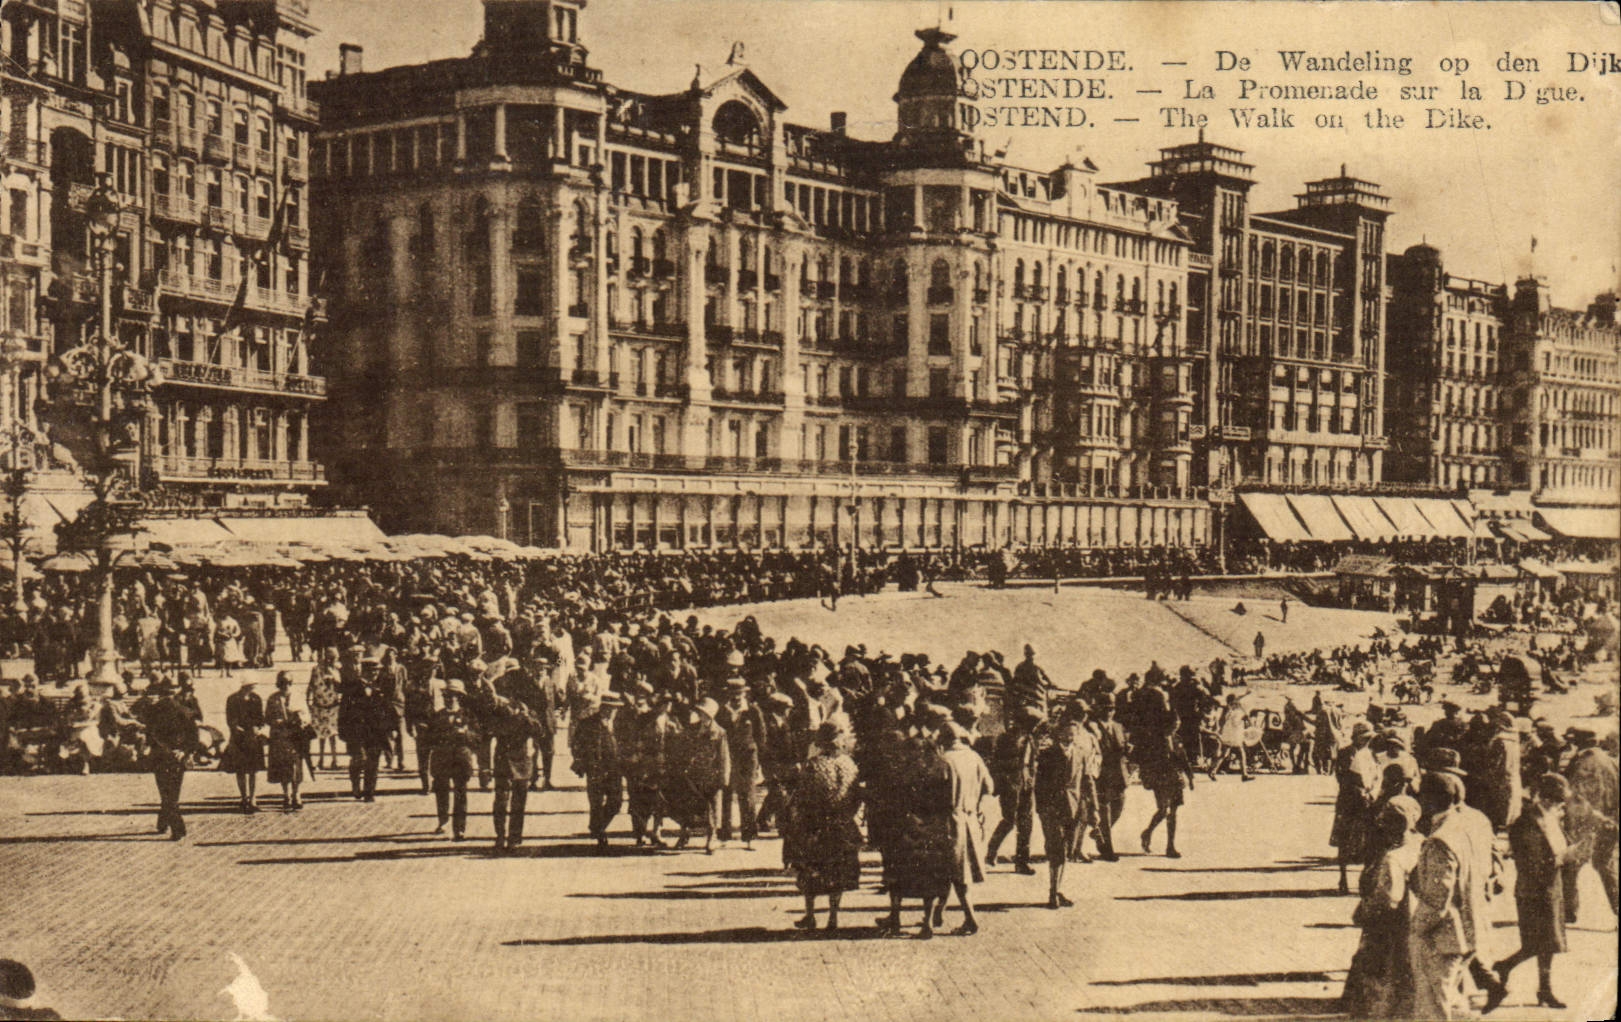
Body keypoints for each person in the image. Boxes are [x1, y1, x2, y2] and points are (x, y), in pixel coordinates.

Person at [1492, 773, 1575, 1011]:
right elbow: (1530, 862)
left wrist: (1574, 851)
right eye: (1557, 800)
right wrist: (1561, 858)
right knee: (1537, 943)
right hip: (1534, 890)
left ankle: (1542, 988)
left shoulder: (1551, 818)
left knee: (1549, 942)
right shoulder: (1526, 822)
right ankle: (1508, 969)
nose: (1560, 805)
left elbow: (1561, 844)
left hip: (1551, 887)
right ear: (1545, 798)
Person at [1409, 770, 1484, 1021]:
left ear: (1431, 799)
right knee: (1453, 1003)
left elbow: (1438, 895)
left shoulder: (1441, 839)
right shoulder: (1465, 827)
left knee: (1433, 1008)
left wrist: (1418, 927)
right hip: (1467, 929)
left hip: (1442, 935)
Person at [1341, 796, 1422, 1020]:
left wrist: (1365, 911)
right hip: (1417, 923)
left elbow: (1389, 898)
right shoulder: (1423, 843)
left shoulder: (1392, 858)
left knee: (1382, 984)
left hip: (1392, 928)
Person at [788, 721, 863, 931]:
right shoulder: (850, 763)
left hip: (816, 824)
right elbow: (856, 795)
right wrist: (848, 814)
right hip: (842, 824)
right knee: (836, 872)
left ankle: (810, 914)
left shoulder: (813, 764)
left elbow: (804, 795)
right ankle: (833, 917)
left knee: (811, 869)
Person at [938, 720, 993, 935]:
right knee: (956, 869)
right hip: (970, 820)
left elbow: (933, 794)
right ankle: (937, 914)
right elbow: (990, 786)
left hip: (949, 821)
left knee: (953, 871)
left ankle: (970, 917)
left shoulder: (943, 760)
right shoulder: (973, 756)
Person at [1560, 728, 1618, 925]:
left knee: (1570, 865)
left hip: (1585, 822)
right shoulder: (1611, 762)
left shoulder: (1582, 761)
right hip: (1609, 821)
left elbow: (1575, 795)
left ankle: (1569, 911)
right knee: (1606, 865)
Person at [1035, 713, 1093, 909]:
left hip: (1073, 808)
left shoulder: (1082, 753)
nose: (1069, 739)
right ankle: (1053, 894)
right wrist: (1042, 809)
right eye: (1065, 735)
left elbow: (1087, 781)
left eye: (1072, 736)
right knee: (1056, 850)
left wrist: (1093, 808)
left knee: (1066, 851)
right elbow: (1039, 785)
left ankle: (1057, 889)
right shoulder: (1047, 755)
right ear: (1057, 734)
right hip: (1052, 808)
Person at [139, 675, 200, 840]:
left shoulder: (152, 710)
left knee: (165, 791)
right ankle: (174, 825)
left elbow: (150, 734)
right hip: (176, 756)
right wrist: (185, 751)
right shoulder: (184, 710)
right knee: (173, 792)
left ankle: (170, 823)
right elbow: (194, 736)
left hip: (160, 755)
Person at [985, 705, 1041, 875]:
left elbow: (1033, 760)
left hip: (1027, 784)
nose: (1035, 726)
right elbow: (998, 763)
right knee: (1010, 820)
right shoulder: (1007, 738)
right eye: (1033, 723)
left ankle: (1022, 861)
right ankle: (991, 851)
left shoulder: (1030, 738)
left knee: (1026, 823)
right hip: (1011, 784)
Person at [715, 678, 764, 849]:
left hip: (748, 759)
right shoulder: (722, 712)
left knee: (748, 795)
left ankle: (749, 836)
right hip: (727, 757)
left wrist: (760, 763)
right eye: (732, 694)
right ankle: (724, 835)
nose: (736, 698)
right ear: (728, 694)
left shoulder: (753, 711)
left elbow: (761, 737)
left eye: (739, 694)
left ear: (745, 693)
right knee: (726, 795)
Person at [573, 691, 623, 852]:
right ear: (604, 707)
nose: (614, 711)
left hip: (614, 769)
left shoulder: (618, 723)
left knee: (616, 802)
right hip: (596, 769)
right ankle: (600, 834)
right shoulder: (587, 724)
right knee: (596, 802)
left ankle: (596, 825)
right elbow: (577, 745)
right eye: (611, 708)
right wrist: (583, 762)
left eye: (616, 708)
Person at [1332, 721, 1378, 894]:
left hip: (1367, 802)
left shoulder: (1370, 754)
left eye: (1368, 739)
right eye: (1364, 738)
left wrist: (1372, 790)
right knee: (1344, 840)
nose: (1366, 742)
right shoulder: (1345, 753)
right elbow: (1342, 778)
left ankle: (1365, 880)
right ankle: (1343, 878)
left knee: (1367, 841)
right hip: (1349, 801)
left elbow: (1374, 775)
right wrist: (1359, 791)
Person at [427, 680, 477, 840]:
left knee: (460, 792)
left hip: (461, 759)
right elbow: (429, 738)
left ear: (460, 697)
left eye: (454, 696)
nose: (451, 699)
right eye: (447, 696)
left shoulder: (468, 715)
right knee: (441, 791)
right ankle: (443, 821)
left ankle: (460, 828)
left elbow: (478, 738)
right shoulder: (437, 715)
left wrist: (466, 734)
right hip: (441, 759)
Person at [265, 672, 307, 811]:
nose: (286, 686)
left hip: (295, 735)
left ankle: (297, 794)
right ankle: (286, 795)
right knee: (283, 766)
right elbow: (267, 718)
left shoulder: (298, 696)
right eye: (283, 683)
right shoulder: (273, 699)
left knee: (296, 766)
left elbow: (307, 714)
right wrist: (275, 722)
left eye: (288, 683)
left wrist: (301, 719)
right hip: (280, 736)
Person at [222, 677, 266, 813]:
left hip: (253, 737)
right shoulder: (233, 699)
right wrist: (239, 729)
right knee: (240, 769)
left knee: (254, 770)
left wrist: (258, 728)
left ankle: (253, 798)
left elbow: (260, 718)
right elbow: (231, 720)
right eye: (251, 686)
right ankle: (244, 798)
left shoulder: (256, 699)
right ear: (245, 686)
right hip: (239, 738)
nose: (253, 688)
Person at [306, 650, 342, 770]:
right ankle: (321, 759)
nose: (331, 661)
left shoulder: (336, 670)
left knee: (332, 734)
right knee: (321, 735)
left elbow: (340, 686)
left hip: (332, 705)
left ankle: (334, 759)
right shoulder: (317, 670)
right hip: (320, 705)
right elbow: (311, 685)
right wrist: (309, 701)